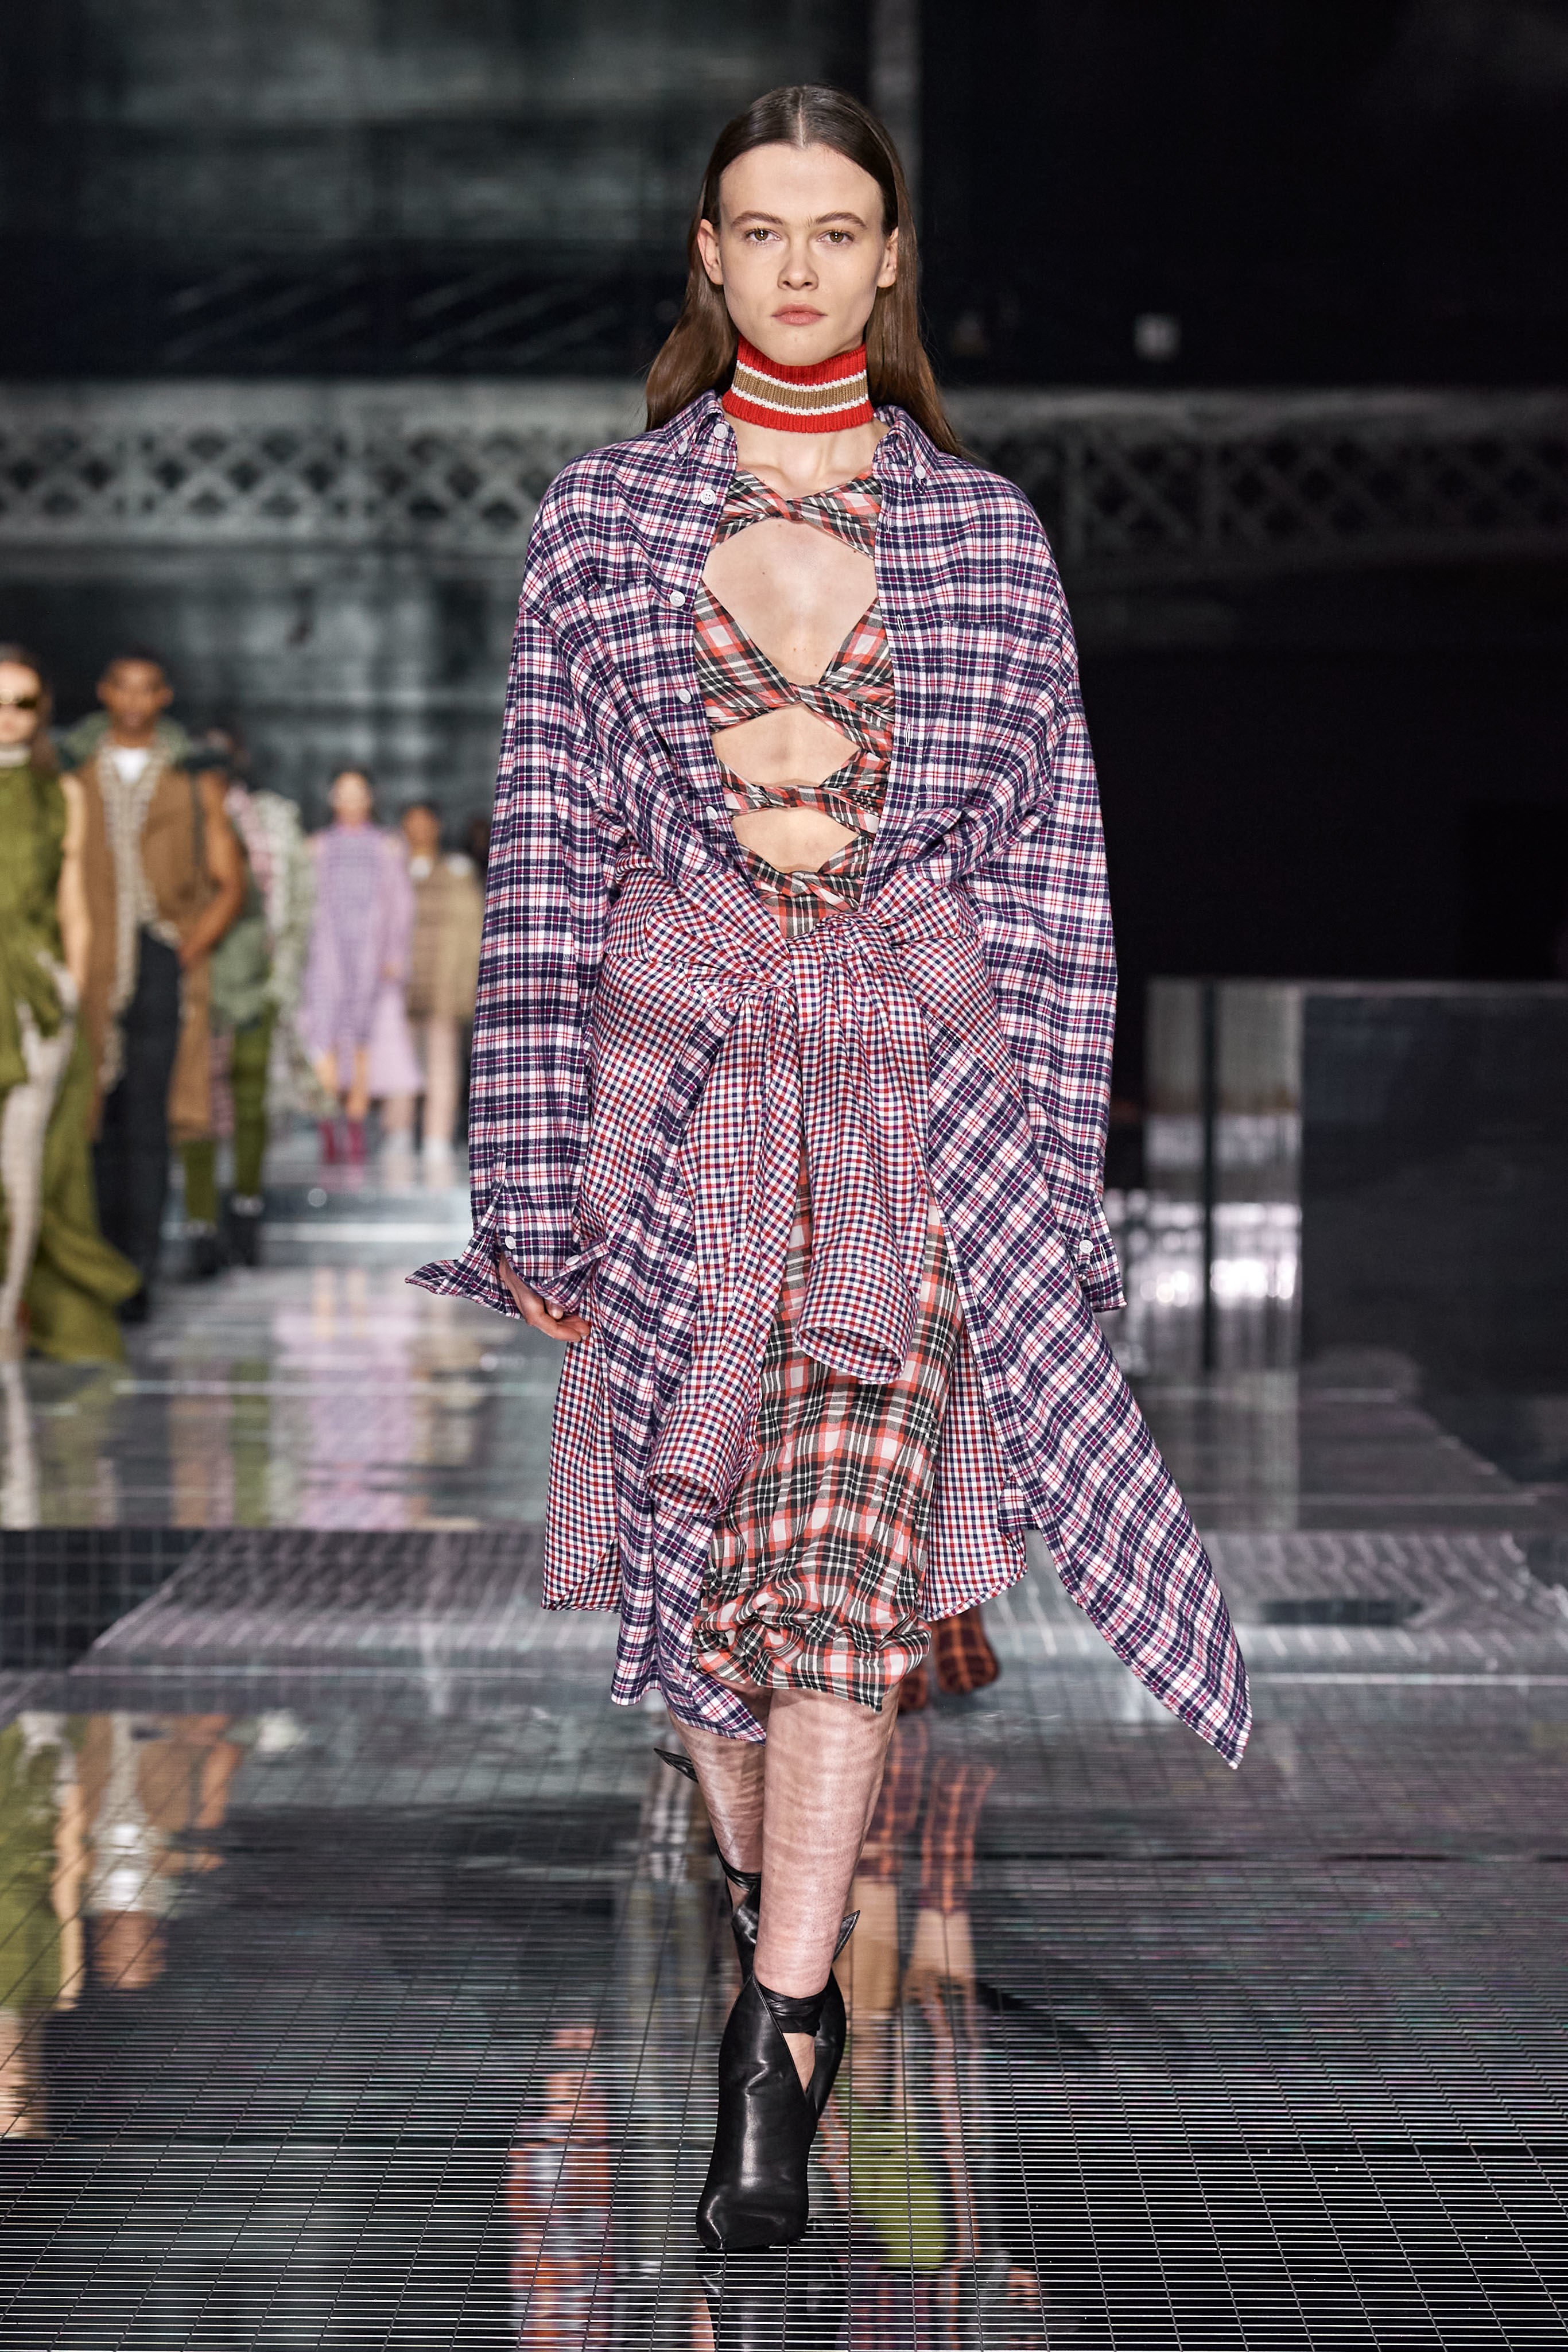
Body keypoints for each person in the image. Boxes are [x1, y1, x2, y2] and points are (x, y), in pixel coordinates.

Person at [414, 85, 1249, 2253]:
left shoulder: (983, 535)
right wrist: (524, 1182)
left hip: (908, 1104)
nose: (798, 267)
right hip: (674, 1104)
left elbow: (1053, 879)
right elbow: (546, 854)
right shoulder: (603, 519)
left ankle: (779, 2030)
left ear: (888, 263)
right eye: (760, 230)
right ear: (709, 258)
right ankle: (769, 1907)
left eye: (837, 230)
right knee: (705, 1601)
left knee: (846, 1589)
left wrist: (1050, 1179)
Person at [73, 651, 245, 1315]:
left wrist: (183, 949)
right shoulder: (74, 771)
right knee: (92, 1115)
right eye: (123, 687)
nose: (134, 700)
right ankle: (95, 1266)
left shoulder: (192, 777)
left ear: (164, 697)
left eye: (147, 689)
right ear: (104, 692)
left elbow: (230, 882)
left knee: (147, 1118)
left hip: (156, 956)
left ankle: (136, 1271)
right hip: (87, 961)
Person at [0, 646, 138, 1360]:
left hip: (33, 1003)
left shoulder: (63, 795)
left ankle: (3, 1319)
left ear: (41, 713)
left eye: (22, 703)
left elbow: (76, 908)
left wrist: (76, 996)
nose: (7, 716)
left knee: (19, 1165)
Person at [191, 729, 316, 1265]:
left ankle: (246, 1210)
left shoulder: (272, 819)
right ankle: (200, 1223)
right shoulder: (182, 813)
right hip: (196, 980)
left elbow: (297, 902)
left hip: (259, 982)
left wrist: (285, 972)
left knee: (249, 1100)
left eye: (227, 755)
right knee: (195, 1106)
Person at [299, 768, 421, 1168]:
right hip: (326, 955)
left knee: (365, 1042)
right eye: (343, 793)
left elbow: (401, 905)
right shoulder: (317, 847)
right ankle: (327, 1123)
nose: (350, 801)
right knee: (325, 1038)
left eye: (358, 793)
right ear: (332, 798)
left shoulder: (388, 846)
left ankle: (354, 1126)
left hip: (371, 957)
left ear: (370, 797)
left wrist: (395, 953)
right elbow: (303, 906)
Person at [399, 799, 483, 1171]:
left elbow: (472, 931)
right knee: (398, 1062)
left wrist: (466, 982)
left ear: (437, 826)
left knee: (442, 1064)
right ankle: (398, 1131)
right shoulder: (393, 869)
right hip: (398, 983)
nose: (418, 829)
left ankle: (437, 1135)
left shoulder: (456, 872)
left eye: (424, 822)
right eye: (411, 822)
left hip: (443, 984)